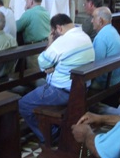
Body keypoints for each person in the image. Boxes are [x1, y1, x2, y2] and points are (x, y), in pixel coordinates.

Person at [19, 14, 95, 144]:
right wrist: (52, 66)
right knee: (38, 87)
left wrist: (50, 43)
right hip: (80, 88)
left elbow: (42, 63)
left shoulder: (63, 41)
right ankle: (50, 128)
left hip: (62, 91)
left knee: (23, 104)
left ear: (58, 28)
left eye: (53, 31)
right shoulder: (85, 36)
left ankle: (51, 135)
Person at [91, 7, 120, 89]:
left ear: (100, 21)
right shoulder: (112, 30)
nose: (92, 21)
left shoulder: (101, 37)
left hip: (106, 82)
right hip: (117, 77)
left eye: (93, 18)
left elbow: (96, 65)